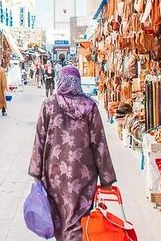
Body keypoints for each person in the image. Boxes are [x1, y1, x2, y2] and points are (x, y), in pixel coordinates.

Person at [29, 66, 116, 241]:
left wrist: (36, 172)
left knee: (60, 218)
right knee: (78, 219)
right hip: (83, 173)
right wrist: (106, 178)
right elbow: (99, 143)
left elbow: (39, 139)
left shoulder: (48, 105)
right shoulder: (90, 106)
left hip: (54, 174)